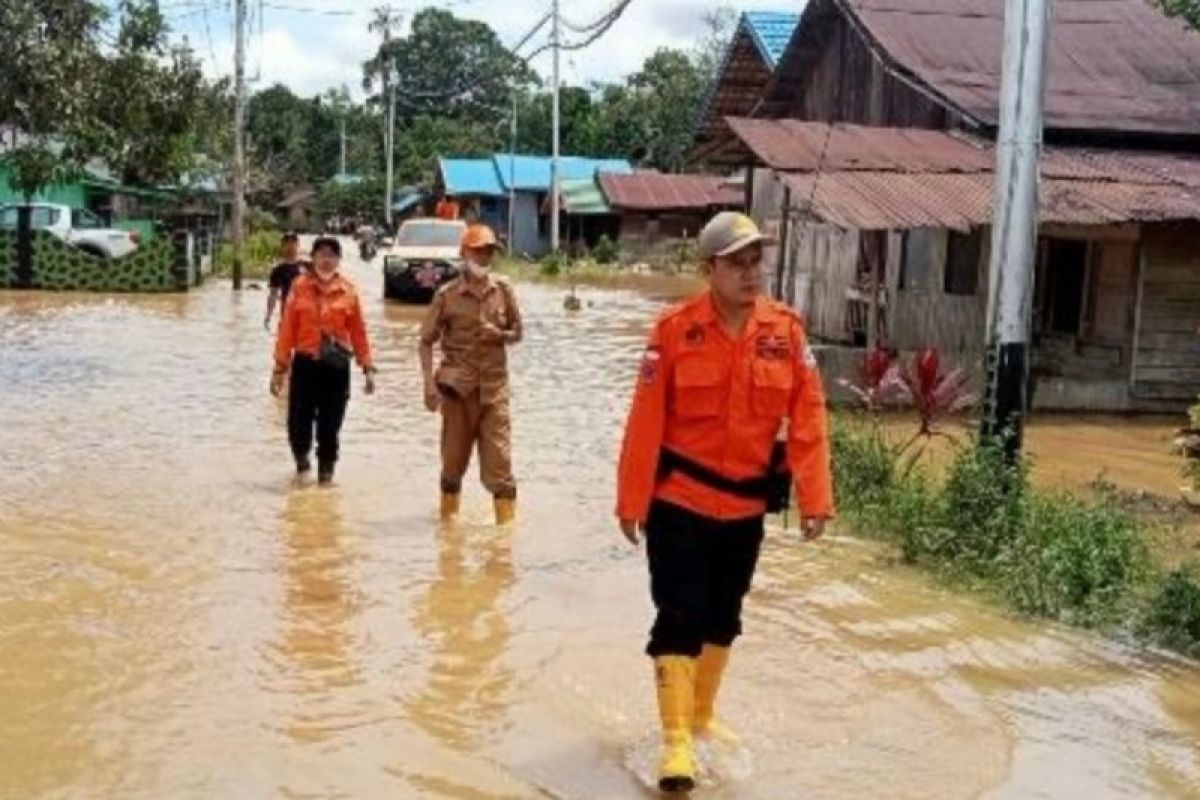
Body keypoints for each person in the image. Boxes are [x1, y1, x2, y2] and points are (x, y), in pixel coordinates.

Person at [615, 212, 834, 793]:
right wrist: (631, 501)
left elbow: (808, 418)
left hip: (742, 512)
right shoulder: (673, 331)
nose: (749, 271)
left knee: (724, 617)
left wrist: (817, 495)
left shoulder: (786, 332)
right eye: (736, 261)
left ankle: (703, 717)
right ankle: (677, 744)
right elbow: (645, 423)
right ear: (708, 268)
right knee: (679, 615)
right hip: (678, 503)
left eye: (755, 259)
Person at [419, 223, 522, 525]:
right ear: (463, 253)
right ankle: (448, 533)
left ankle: (505, 543)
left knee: (501, 468)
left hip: (494, 394)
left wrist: (500, 334)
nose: (484, 257)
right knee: (452, 467)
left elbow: (518, 333)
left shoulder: (503, 290)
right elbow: (426, 341)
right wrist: (428, 385)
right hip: (457, 394)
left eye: (489, 251)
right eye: (478, 251)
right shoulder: (446, 295)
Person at [271, 237, 377, 485]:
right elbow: (287, 330)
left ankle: (326, 479)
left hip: (336, 368)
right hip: (305, 365)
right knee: (298, 423)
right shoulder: (299, 287)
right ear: (314, 257)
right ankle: (302, 465)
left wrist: (367, 366)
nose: (327, 259)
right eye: (322, 254)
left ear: (338, 260)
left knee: (330, 425)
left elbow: (359, 332)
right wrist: (279, 367)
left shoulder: (348, 291)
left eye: (332, 255)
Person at [264, 232, 307, 330]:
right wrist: (268, 315)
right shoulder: (278, 270)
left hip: (306, 311)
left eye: (293, 242)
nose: (290, 246)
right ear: (282, 247)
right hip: (287, 311)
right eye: (287, 243)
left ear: (298, 245)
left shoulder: (307, 266)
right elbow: (273, 294)